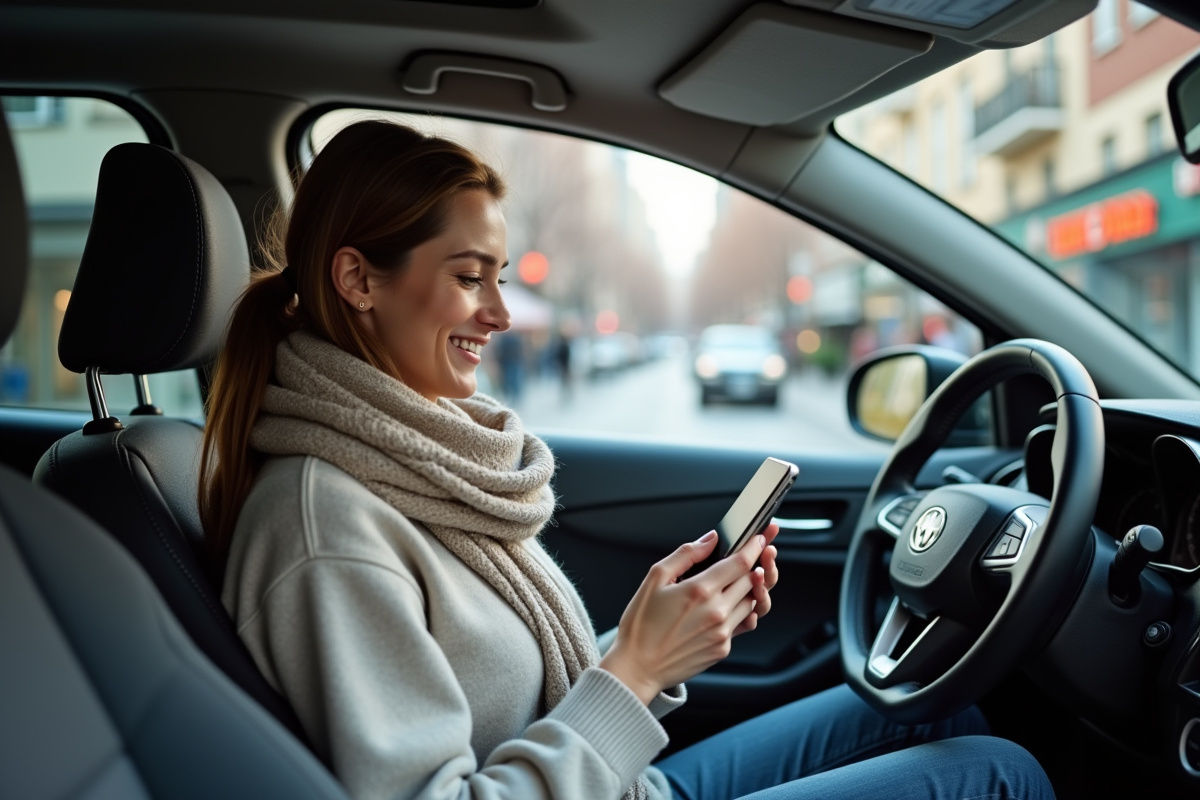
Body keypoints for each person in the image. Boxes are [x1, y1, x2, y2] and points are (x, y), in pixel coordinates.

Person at [201, 120, 1054, 800]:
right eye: (471, 277)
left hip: (626, 784)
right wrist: (636, 665)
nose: (502, 313)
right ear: (358, 280)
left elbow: (524, 699)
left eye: (501, 275)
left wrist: (661, 640)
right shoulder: (325, 526)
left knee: (943, 706)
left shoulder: (415, 460)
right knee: (998, 773)